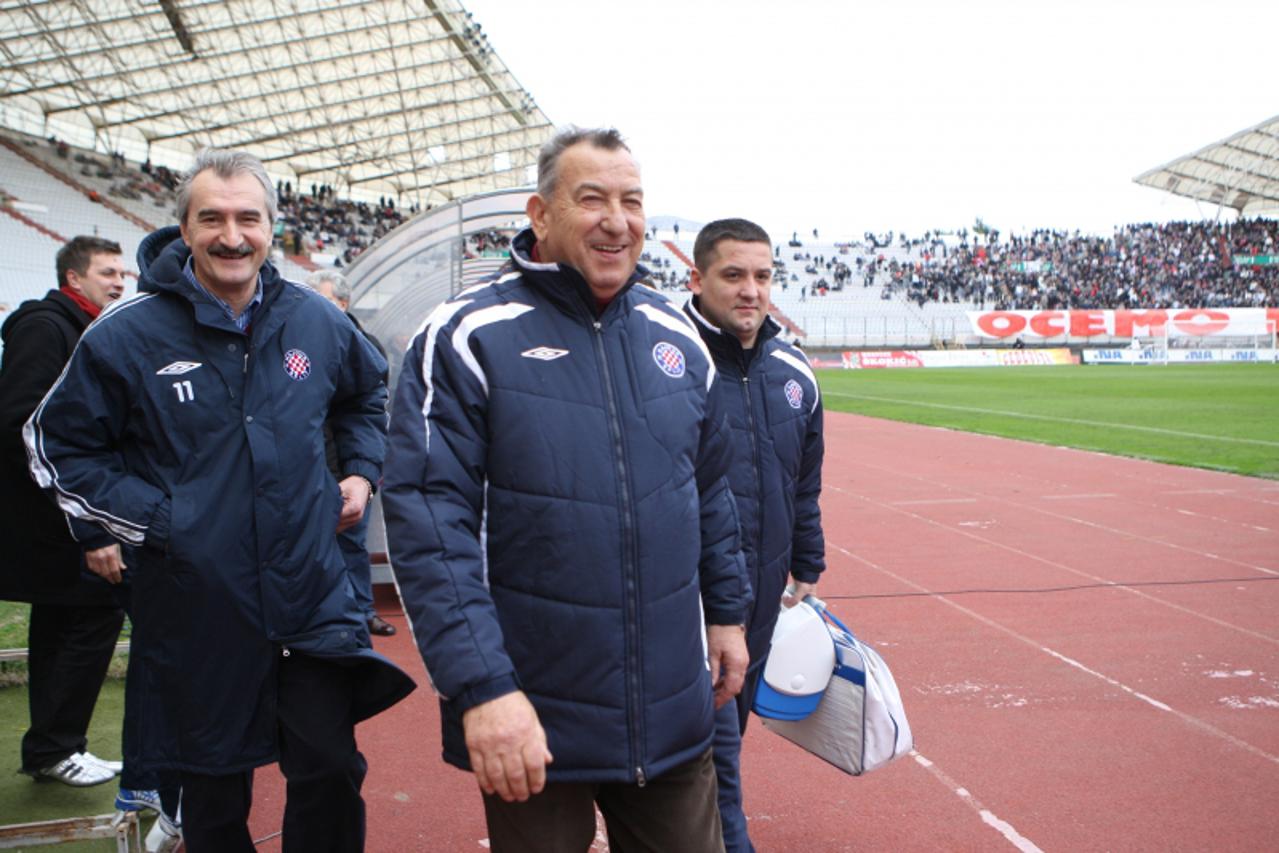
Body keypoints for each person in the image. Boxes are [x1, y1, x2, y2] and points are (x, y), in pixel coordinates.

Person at [24, 148, 415, 853]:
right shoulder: (127, 332)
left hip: (312, 592)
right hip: (198, 602)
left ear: (272, 226)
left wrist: (359, 471)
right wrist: (163, 520)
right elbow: (56, 443)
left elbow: (365, 394)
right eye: (212, 218)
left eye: (247, 218)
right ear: (183, 227)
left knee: (328, 767)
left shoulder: (315, 320)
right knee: (211, 790)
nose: (231, 236)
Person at [383, 126, 751, 853]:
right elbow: (430, 523)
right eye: (592, 199)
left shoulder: (674, 336)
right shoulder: (465, 335)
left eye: (631, 201)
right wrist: (481, 688)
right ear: (541, 213)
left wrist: (729, 613)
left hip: (672, 706)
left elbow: (708, 489)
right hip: (530, 712)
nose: (617, 221)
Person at [684, 218, 827, 852]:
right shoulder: (665, 358)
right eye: (733, 275)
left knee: (725, 744)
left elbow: (805, 481)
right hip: (689, 597)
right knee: (716, 763)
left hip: (765, 591)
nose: (751, 290)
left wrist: (808, 562)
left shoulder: (794, 370)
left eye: (762, 276)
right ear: (698, 278)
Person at [1, 236, 127, 788]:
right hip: (56, 520)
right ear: (74, 278)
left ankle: (51, 748)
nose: (120, 281)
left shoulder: (79, 328)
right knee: (91, 614)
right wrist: (82, 523)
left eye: (123, 272)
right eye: (107, 272)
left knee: (63, 623)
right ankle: (57, 747)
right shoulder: (46, 328)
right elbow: (23, 424)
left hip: (59, 517)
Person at [306, 269, 396, 637]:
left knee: (352, 542)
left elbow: (371, 411)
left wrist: (366, 467)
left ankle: (362, 613)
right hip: (312, 464)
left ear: (342, 303)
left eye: (323, 299)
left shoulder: (366, 344)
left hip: (350, 466)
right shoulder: (299, 342)